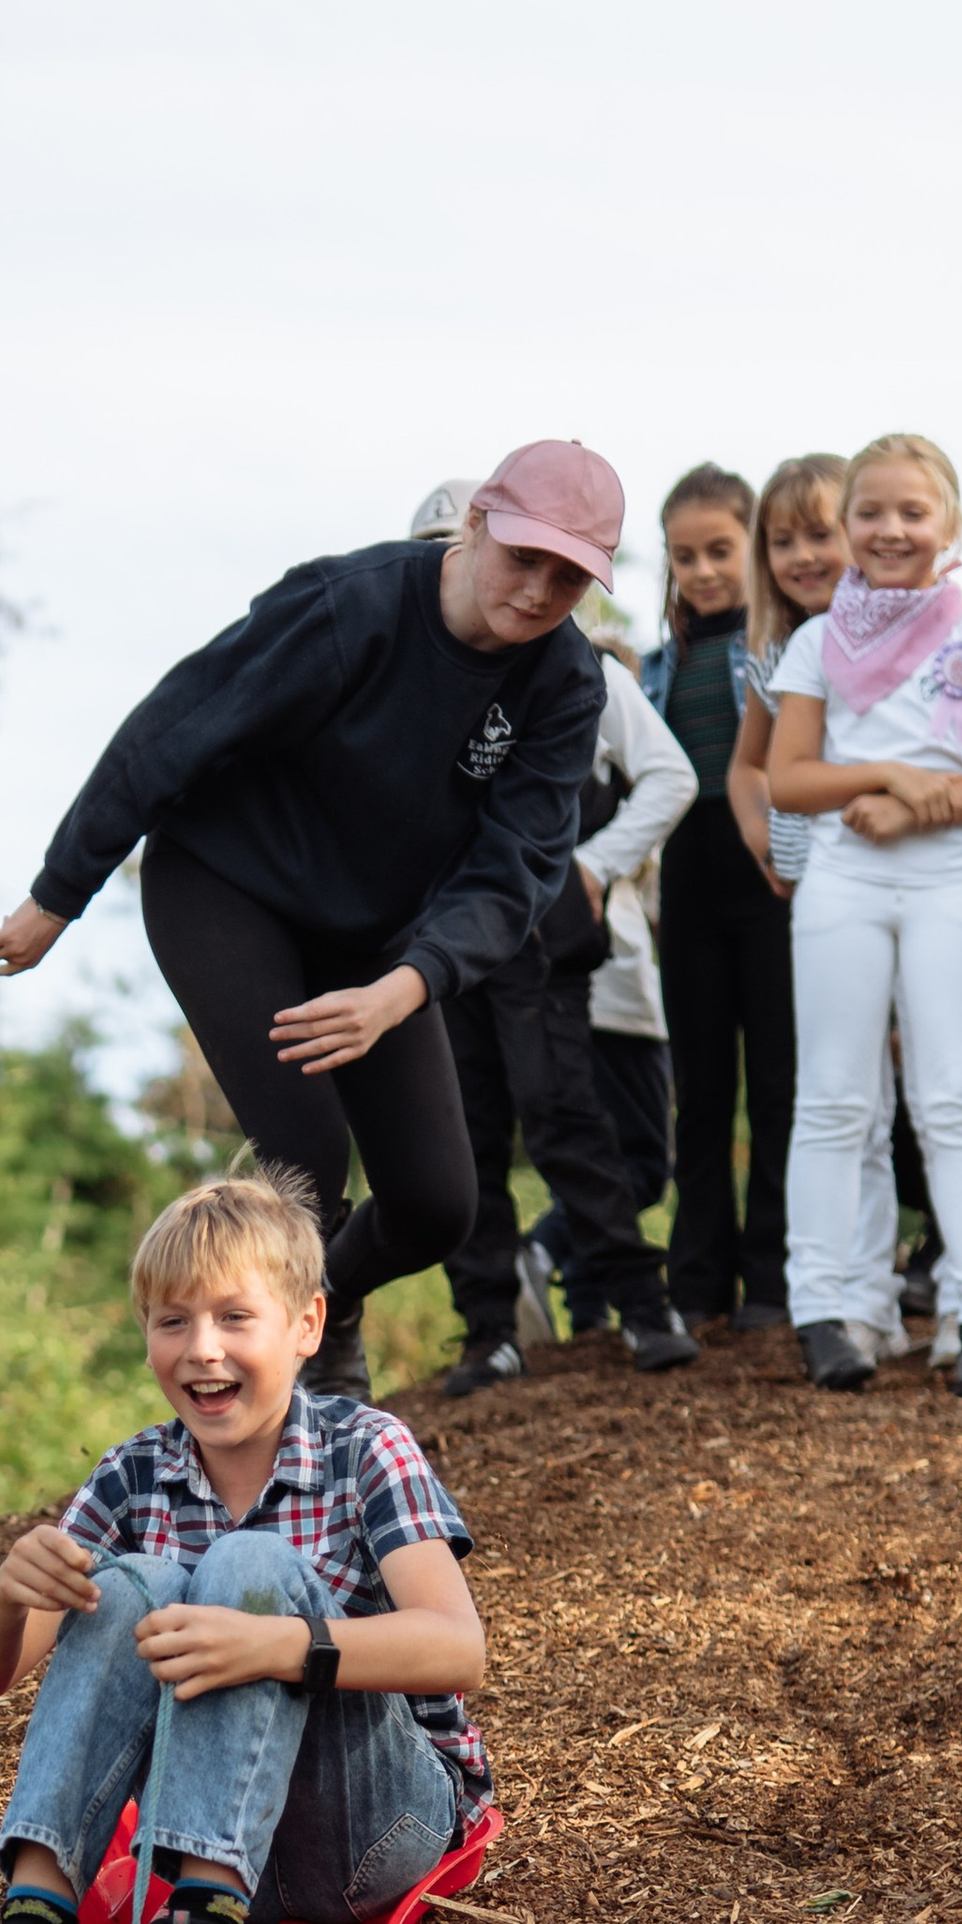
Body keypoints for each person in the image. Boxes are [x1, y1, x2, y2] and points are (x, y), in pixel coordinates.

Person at [0, 444, 623, 1405]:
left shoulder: (564, 684)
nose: (536, 592)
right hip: (226, 887)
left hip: (373, 939)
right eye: (523, 557)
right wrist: (57, 895)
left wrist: (402, 989)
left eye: (567, 577)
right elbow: (173, 728)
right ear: (478, 521)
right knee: (308, 1167)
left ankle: (326, 1301)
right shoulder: (347, 609)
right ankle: (289, 1397)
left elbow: (517, 867)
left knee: (438, 1205)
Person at [0, 1171, 489, 1924]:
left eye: (236, 1318)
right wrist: (5, 1593)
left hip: (371, 1833)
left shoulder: (365, 1447)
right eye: (172, 1322)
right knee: (132, 1585)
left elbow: (456, 1646)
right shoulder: (134, 1474)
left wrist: (283, 1645)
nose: (203, 1350)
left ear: (307, 1326)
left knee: (251, 1568)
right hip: (219, 1843)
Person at [394, 487, 699, 1380]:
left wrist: (592, 869)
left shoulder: (576, 670)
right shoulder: (399, 678)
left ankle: (641, 1308)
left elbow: (668, 778)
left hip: (535, 932)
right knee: (464, 1132)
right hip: (433, 944)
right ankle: (488, 1329)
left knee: (565, 1113)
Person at [767, 433, 962, 1402]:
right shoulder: (814, 642)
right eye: (870, 513)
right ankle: (827, 1309)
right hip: (843, 885)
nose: (891, 530)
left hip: (955, 885)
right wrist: (885, 776)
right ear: (845, 528)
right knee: (836, 1100)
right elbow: (789, 777)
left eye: (911, 512)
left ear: (950, 525)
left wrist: (917, 808)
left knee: (956, 1098)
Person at [729, 452, 921, 1354]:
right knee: (842, 1099)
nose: (803, 554)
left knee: (900, 1093)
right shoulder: (776, 655)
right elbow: (747, 765)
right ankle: (846, 1294)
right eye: (782, 540)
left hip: (900, 888)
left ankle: (890, 1292)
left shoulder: (904, 643)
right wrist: (764, 836)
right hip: (813, 900)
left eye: (819, 532)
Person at [642, 465, 795, 1331]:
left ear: (752, 548)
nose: (703, 571)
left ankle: (772, 1278)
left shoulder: (781, 655)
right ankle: (697, 1278)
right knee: (700, 1087)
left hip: (767, 866)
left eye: (720, 551)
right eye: (684, 556)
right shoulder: (660, 665)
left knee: (778, 1078)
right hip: (688, 875)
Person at [516, 617, 692, 1341]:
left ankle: (587, 1310)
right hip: (605, 976)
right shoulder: (595, 800)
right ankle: (546, 1251)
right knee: (639, 1159)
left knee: (598, 1150)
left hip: (598, 961)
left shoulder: (593, 784)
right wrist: (597, 867)